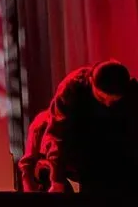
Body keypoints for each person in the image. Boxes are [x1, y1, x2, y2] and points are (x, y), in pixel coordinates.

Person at [41, 60, 138, 193]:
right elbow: (58, 135)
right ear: (91, 81)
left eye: (114, 101)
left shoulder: (133, 94)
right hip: (83, 151)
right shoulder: (72, 90)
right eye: (101, 98)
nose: (107, 104)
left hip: (121, 152)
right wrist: (57, 180)